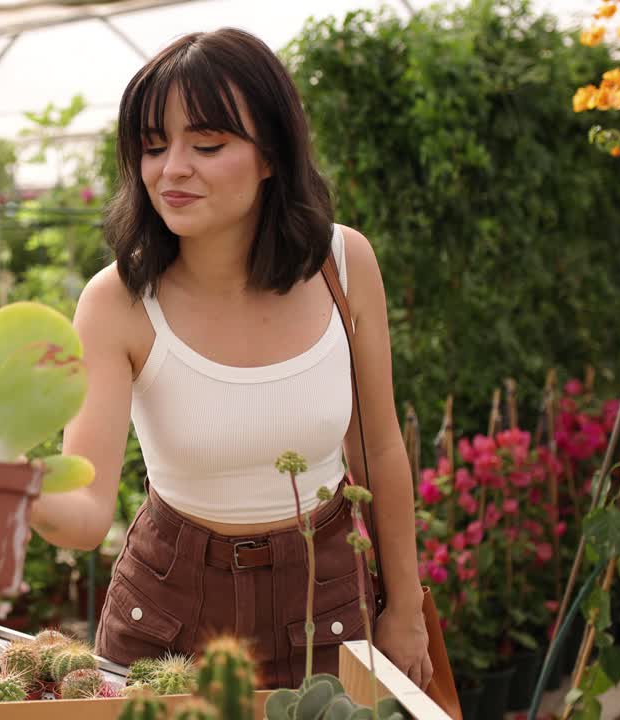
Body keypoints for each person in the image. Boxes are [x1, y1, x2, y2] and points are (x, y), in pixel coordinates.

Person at [26, 27, 432, 691]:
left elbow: (379, 450)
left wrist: (406, 608)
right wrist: (12, 483)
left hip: (326, 601)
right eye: (154, 146)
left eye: (207, 144)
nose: (172, 168)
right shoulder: (118, 300)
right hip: (167, 612)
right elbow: (86, 512)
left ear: (271, 153)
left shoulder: (344, 265)